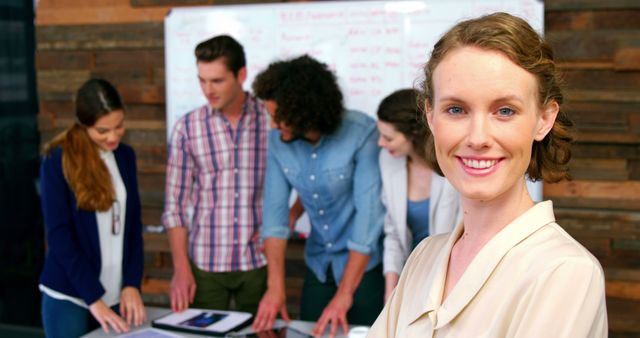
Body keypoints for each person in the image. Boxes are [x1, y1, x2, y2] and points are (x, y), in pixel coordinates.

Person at [368, 12, 607, 337]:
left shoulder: (565, 272)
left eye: (504, 111)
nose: (477, 137)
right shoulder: (424, 256)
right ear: (430, 115)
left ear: (544, 119)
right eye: (456, 109)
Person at [251, 55, 385, 337]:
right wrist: (275, 288)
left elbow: (368, 216)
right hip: (319, 263)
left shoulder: (362, 133)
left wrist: (346, 293)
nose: (273, 125)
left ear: (305, 112)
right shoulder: (278, 142)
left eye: (278, 116)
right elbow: (275, 218)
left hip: (363, 265)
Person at [162, 35, 269, 314]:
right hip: (205, 263)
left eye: (217, 81)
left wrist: (291, 216)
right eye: (202, 80)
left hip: (258, 261)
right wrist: (181, 269)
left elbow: (305, 176)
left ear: (241, 74)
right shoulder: (188, 128)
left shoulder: (269, 120)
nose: (208, 90)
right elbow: (175, 205)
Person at [39, 78, 145, 337]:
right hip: (70, 295)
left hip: (116, 293)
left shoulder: (125, 156)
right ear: (84, 125)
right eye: (102, 130)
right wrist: (93, 298)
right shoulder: (57, 160)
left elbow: (132, 226)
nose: (112, 137)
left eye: (118, 126)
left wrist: (131, 283)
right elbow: (59, 236)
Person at [376, 89, 462, 302]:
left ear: (412, 135)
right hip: (411, 277)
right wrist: (390, 294)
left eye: (388, 137)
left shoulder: (453, 164)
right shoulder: (388, 161)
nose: (380, 143)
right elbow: (394, 235)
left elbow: (465, 235)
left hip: (452, 280)